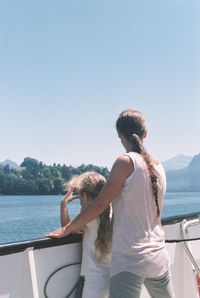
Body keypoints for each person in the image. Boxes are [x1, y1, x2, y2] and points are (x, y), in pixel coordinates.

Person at [47, 109, 175, 298]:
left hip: (130, 259)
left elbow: (99, 204)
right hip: (158, 255)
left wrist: (66, 229)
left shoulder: (125, 162)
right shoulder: (159, 166)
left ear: (120, 136)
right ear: (145, 133)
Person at [59, 172, 112, 298]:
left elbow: (67, 228)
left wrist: (63, 205)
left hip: (95, 282)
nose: (80, 201)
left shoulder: (88, 218)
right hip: (114, 278)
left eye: (80, 196)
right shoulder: (113, 212)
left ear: (85, 195)